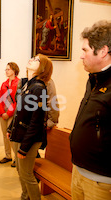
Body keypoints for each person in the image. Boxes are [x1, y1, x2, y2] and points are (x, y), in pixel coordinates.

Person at [70, 20, 111, 200]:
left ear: (102, 51)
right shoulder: (93, 79)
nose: (81, 56)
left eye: (85, 50)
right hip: (79, 170)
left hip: (100, 181)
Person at [7, 54, 53, 200]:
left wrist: (24, 147)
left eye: (36, 60)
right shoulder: (28, 84)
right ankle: (25, 196)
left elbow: (36, 121)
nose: (32, 59)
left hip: (29, 138)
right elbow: (19, 111)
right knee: (21, 171)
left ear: (42, 68)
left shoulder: (39, 88)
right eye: (33, 57)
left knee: (27, 174)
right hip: (19, 133)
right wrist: (10, 128)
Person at [0, 62, 20, 167]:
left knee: (11, 135)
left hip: (13, 114)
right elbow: (0, 99)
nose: (6, 71)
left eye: (8, 69)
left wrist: (9, 113)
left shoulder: (19, 83)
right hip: (3, 113)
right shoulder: (4, 84)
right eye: (5, 69)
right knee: (4, 135)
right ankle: (8, 155)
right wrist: (2, 112)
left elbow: (17, 101)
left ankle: (16, 157)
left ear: (14, 70)